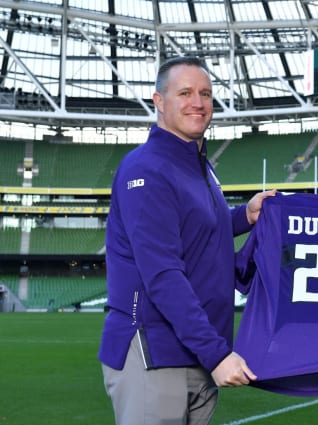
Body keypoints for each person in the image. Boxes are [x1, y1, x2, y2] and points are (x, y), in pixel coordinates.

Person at [98, 56, 275, 425]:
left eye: (206, 94)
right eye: (185, 92)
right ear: (159, 101)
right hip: (154, 351)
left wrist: (246, 216)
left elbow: (198, 233)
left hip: (197, 352)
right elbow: (162, 274)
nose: (199, 102)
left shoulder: (200, 167)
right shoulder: (146, 168)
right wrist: (216, 354)